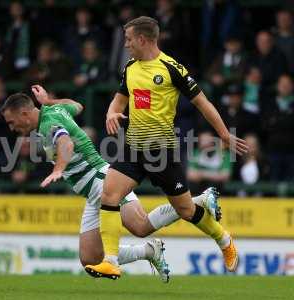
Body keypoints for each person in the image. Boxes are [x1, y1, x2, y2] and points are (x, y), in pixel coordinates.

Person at [1, 85, 220, 281]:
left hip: (100, 181)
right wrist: (49, 102)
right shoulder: (52, 110)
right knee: (90, 258)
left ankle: (200, 200)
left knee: (141, 225)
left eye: (11, 122)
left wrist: (58, 170)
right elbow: (77, 105)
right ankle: (149, 251)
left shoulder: (49, 123)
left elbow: (66, 145)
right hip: (91, 192)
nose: (11, 128)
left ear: (24, 113)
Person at [85, 16, 248, 279]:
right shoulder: (130, 68)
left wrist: (224, 135)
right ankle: (111, 261)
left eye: (128, 40)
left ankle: (224, 239)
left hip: (162, 152)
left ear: (142, 39)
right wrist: (110, 114)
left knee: (185, 210)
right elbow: (117, 102)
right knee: (109, 195)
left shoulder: (172, 68)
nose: (125, 45)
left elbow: (203, 103)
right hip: (133, 148)